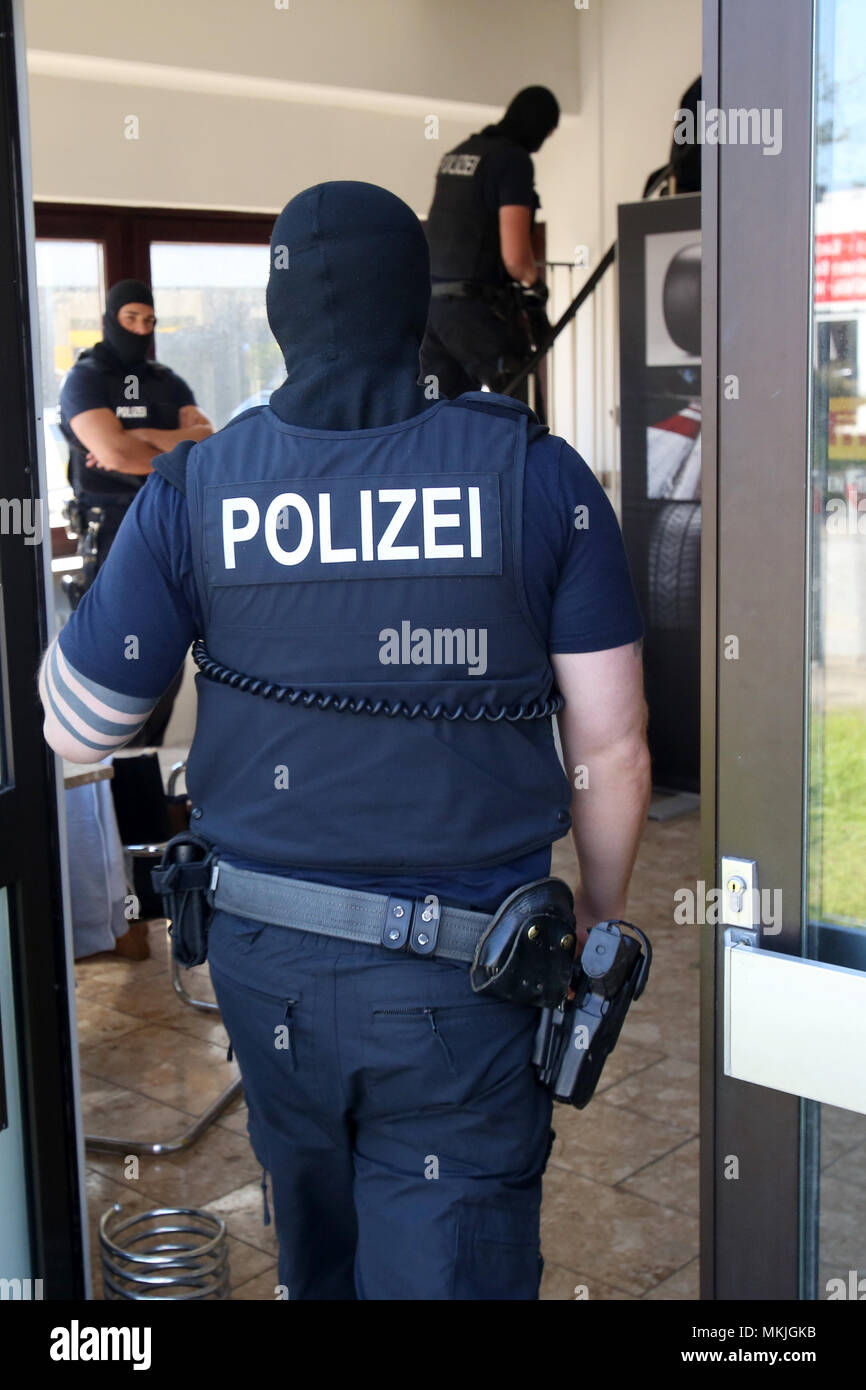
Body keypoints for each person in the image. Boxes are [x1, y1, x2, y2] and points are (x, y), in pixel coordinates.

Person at [39, 182, 650, 1301]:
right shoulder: (537, 472)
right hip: (472, 979)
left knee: (317, 1255)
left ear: (280, 319)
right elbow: (610, 751)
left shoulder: (199, 484)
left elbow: (78, 725)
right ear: (413, 307)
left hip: (269, 973)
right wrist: (601, 926)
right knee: (448, 1255)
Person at [59, 278, 213, 744]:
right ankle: (121, 788)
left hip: (171, 527)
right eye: (131, 318)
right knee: (119, 672)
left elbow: (206, 442)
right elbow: (117, 452)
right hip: (109, 534)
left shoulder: (168, 380)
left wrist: (136, 435)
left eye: (149, 320)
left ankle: (150, 792)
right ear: (111, 318)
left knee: (168, 664)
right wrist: (163, 443)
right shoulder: (85, 377)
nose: (141, 328)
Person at [420, 86, 560, 405]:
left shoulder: (457, 153)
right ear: (540, 125)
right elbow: (516, 260)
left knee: (437, 418)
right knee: (518, 414)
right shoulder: (513, 161)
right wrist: (535, 285)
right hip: (477, 312)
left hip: (431, 310)